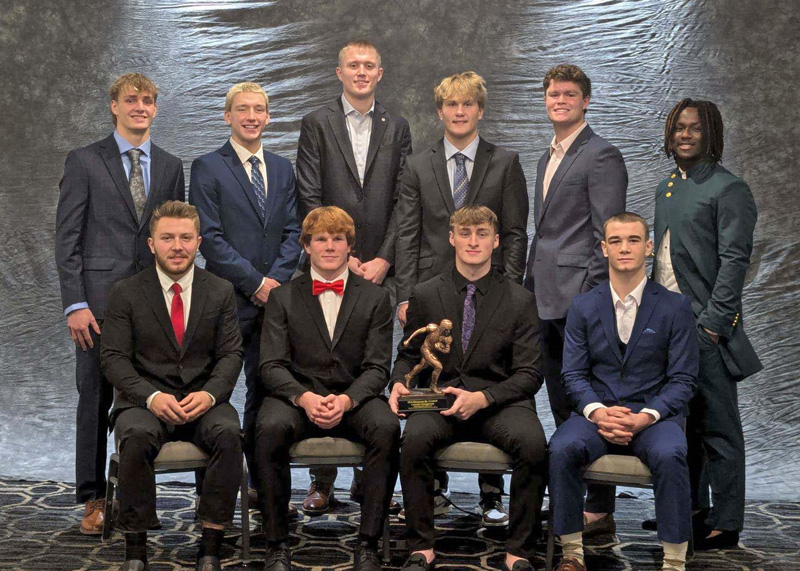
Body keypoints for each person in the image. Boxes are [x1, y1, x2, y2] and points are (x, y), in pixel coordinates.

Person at [395, 71, 529, 525]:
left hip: (490, 289)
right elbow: (408, 233)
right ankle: (432, 489)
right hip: (434, 292)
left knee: (490, 375)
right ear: (440, 112)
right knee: (436, 386)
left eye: (467, 105)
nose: (459, 112)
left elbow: (512, 233)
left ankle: (492, 493)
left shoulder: (505, 162)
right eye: (451, 105)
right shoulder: (417, 165)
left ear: (480, 110)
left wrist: (506, 291)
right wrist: (405, 295)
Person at [55, 72, 185, 535]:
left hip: (151, 306)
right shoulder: (85, 161)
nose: (140, 107)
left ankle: (135, 499)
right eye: (131, 99)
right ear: (114, 105)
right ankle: (92, 498)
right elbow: (67, 239)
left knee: (144, 401)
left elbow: (176, 242)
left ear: (155, 109)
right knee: (94, 398)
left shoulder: (170, 166)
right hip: (97, 308)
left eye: (148, 100)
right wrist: (75, 304)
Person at [391, 206, 547, 571]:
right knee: (413, 440)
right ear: (452, 239)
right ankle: (421, 546)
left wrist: (483, 398)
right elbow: (407, 355)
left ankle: (519, 551)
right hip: (440, 401)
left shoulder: (520, 299)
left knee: (534, 445)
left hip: (499, 403)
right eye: (465, 233)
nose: (473, 241)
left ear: (495, 241)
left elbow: (530, 374)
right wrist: (399, 382)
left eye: (481, 234)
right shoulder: (426, 292)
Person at [295, 38, 411, 514]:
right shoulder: (316, 123)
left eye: (369, 66)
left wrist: (381, 258)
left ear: (380, 74)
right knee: (327, 358)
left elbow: (406, 200)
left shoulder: (397, 125)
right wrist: (342, 259)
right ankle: (323, 482)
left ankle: (371, 477)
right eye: (353, 66)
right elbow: (308, 196)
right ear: (338, 72)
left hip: (383, 268)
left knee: (374, 361)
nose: (361, 73)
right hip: (332, 261)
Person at [548, 212, 698, 571]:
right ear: (603, 249)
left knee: (671, 453)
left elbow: (683, 380)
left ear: (648, 248)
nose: (624, 248)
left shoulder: (676, 307)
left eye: (633, 240)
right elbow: (573, 374)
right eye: (615, 241)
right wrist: (598, 412)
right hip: (599, 415)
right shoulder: (583, 306)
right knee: (561, 447)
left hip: (654, 416)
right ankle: (571, 553)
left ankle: (674, 561)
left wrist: (646, 417)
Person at [253, 206, 400, 571]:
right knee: (267, 426)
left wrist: (348, 400)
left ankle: (368, 542)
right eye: (321, 239)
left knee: (387, 427)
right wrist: (303, 397)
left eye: (338, 239)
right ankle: (276, 543)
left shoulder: (376, 298)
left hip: (354, 398)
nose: (330, 246)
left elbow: (378, 367)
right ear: (306, 246)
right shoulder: (283, 297)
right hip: (298, 398)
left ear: (350, 246)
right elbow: (270, 365)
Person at [100, 201, 243, 571]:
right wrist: (150, 396)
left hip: (204, 401)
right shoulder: (125, 292)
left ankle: (211, 545)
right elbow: (113, 359)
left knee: (229, 432)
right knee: (135, 437)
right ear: (151, 244)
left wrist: (211, 393)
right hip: (144, 402)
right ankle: (136, 550)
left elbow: (231, 355)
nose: (176, 246)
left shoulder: (221, 290)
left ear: (198, 242)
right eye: (167, 238)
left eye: (185, 238)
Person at [523, 63, 627, 534]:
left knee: (588, 401)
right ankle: (573, 500)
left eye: (568, 94)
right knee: (561, 402)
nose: (559, 100)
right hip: (542, 297)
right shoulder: (548, 156)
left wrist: (589, 299)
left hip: (578, 301)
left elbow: (607, 235)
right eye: (552, 94)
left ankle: (599, 507)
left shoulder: (601, 155)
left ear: (586, 100)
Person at [653, 99, 761, 549]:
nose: (684, 134)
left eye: (694, 128)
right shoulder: (666, 188)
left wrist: (715, 323)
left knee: (718, 426)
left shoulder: (728, 188)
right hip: (667, 327)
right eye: (678, 127)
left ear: (710, 133)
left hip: (705, 325)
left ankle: (727, 520)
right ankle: (692, 511)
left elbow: (736, 261)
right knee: (683, 425)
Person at [189, 82, 302, 504]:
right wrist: (256, 283)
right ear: (227, 116)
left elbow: (295, 231)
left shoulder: (282, 168)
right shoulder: (207, 167)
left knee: (265, 394)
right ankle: (210, 495)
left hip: (275, 304)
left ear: (268, 117)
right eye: (242, 109)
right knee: (209, 393)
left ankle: (261, 486)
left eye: (259, 110)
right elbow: (210, 238)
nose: (251, 116)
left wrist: (274, 283)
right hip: (225, 301)